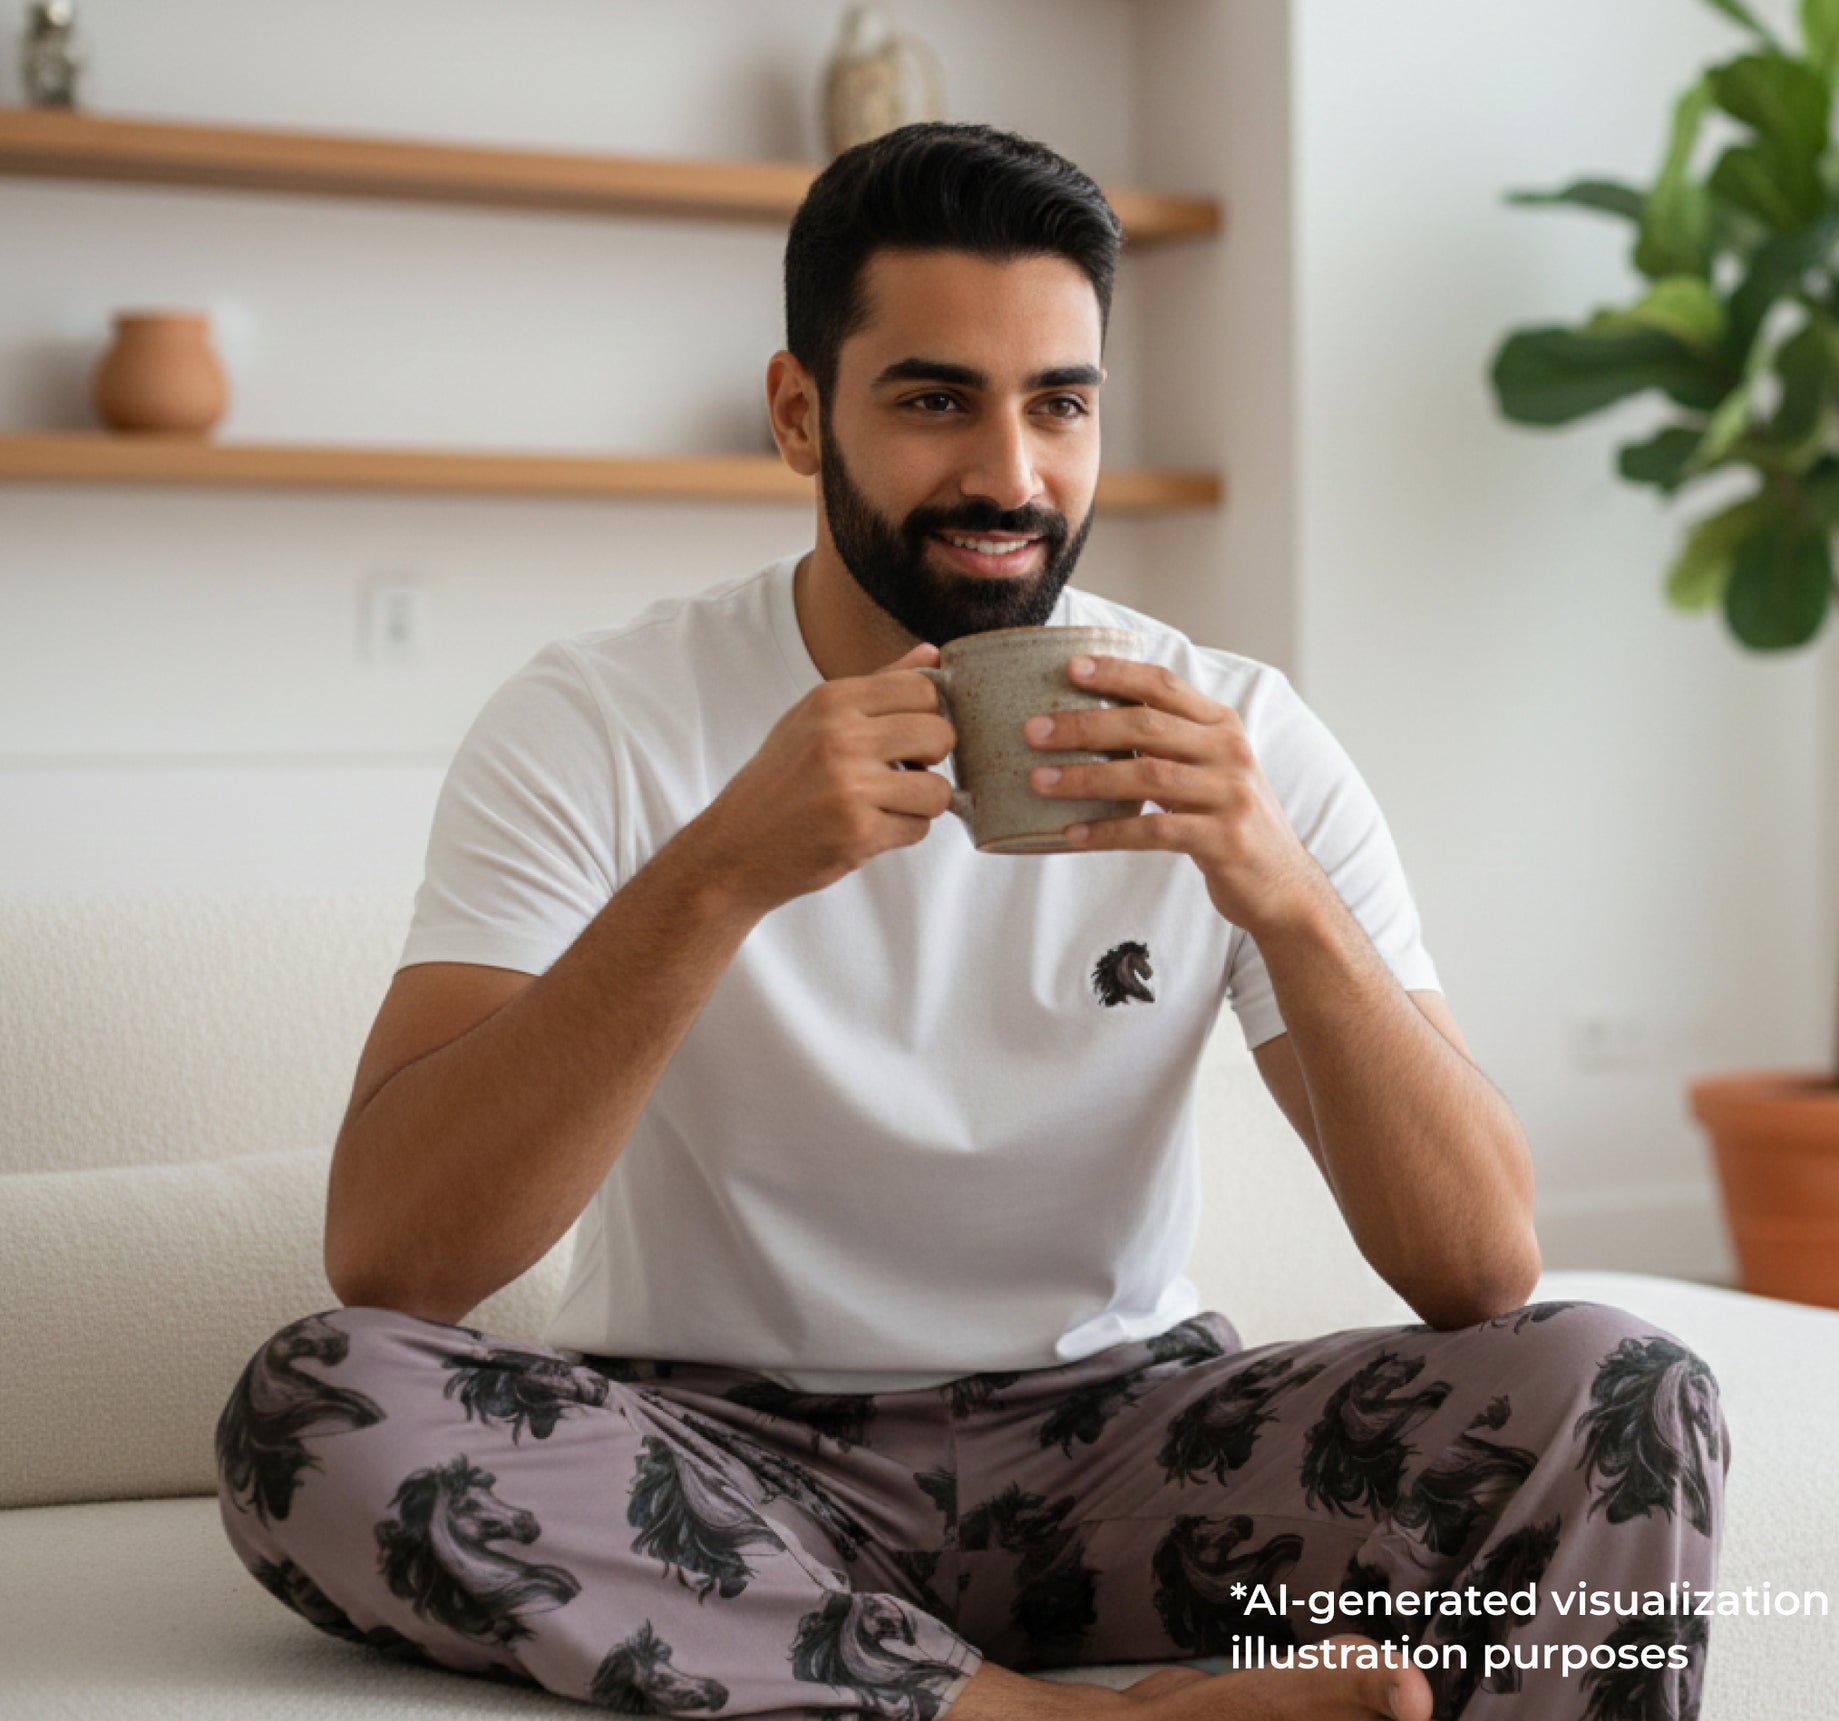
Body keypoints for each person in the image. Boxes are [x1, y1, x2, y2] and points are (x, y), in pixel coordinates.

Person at [215, 122, 1728, 1721]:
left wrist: (1277, 893)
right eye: (937, 399)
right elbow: (391, 1260)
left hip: (1129, 1446)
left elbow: (1480, 1268)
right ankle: (1038, 1716)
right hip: (718, 1462)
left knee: (1616, 1385)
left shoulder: (1242, 732)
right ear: (801, 414)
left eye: (1058, 404)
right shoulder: (597, 719)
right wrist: (716, 872)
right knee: (316, 1403)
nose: (1010, 474)